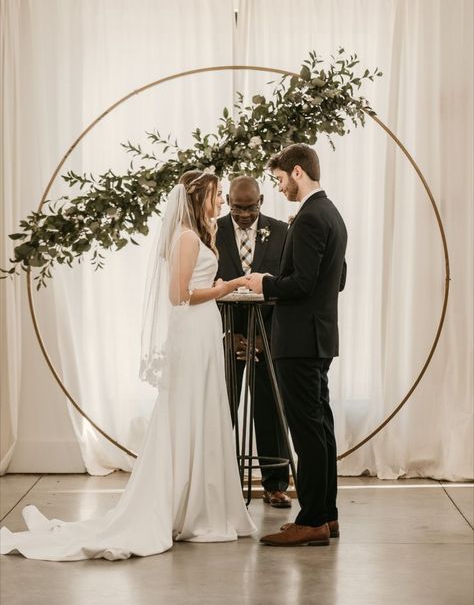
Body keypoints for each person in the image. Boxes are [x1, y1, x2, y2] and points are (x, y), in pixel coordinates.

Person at [1, 170, 256, 561]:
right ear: (199, 198)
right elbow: (178, 295)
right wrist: (223, 288)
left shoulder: (200, 235)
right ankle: (186, 504)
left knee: (204, 409)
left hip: (205, 329)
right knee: (187, 410)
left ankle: (200, 504)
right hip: (191, 330)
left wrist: (217, 287)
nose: (221, 201)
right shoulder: (187, 237)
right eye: (217, 195)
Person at [246, 144, 347, 547]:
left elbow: (302, 284)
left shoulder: (308, 219)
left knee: (306, 432)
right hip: (319, 336)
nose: (279, 186)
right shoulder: (332, 214)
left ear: (299, 172)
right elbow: (335, 279)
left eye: (280, 179)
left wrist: (264, 283)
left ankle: (312, 520)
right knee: (320, 428)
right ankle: (327, 515)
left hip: (298, 339)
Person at [216, 176, 291, 508]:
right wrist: (229, 334)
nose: (244, 214)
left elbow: (287, 286)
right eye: (237, 207)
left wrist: (263, 337)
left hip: (268, 336)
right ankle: (220, 485)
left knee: (270, 411)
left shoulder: (281, 232)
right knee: (222, 409)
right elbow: (203, 286)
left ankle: (275, 485)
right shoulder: (212, 231)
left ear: (261, 199)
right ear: (228, 200)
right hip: (226, 336)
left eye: (250, 207)